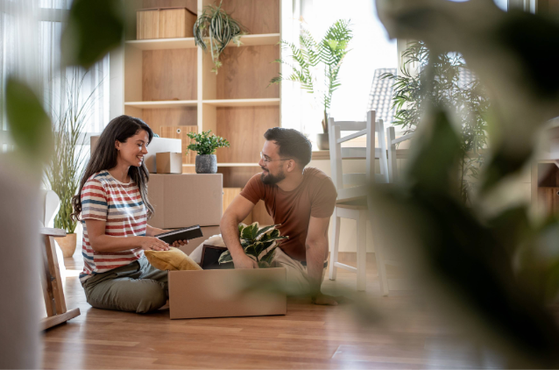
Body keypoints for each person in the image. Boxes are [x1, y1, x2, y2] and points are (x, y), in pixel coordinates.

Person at [71, 115, 187, 313]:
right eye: (139, 144)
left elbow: (135, 226)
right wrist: (141, 242)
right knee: (153, 295)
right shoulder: (97, 185)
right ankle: (158, 292)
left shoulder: (134, 182)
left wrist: (161, 235)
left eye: (146, 144)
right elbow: (98, 241)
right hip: (104, 279)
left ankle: (162, 290)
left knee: (187, 279)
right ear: (118, 143)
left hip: (139, 266)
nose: (145, 151)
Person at [220, 127, 338, 305]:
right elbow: (228, 217)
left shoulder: (320, 185)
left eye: (267, 158)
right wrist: (238, 256)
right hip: (276, 250)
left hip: (302, 267)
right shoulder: (261, 181)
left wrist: (316, 293)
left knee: (264, 289)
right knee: (214, 242)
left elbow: (314, 241)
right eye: (262, 155)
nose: (260, 162)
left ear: (290, 165)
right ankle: (173, 278)